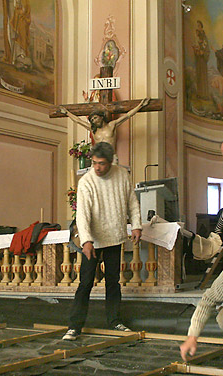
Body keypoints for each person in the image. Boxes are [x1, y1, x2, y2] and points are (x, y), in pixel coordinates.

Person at [62, 142, 142, 341]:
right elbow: (82, 215)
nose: (97, 167)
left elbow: (132, 201)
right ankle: (74, 326)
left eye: (102, 164)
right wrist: (86, 240)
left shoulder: (122, 175)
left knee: (113, 282)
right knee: (86, 283)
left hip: (114, 236)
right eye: (95, 163)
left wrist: (137, 225)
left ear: (111, 162)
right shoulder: (87, 181)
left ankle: (114, 321)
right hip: (93, 241)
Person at [59, 97, 150, 149]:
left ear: (101, 117)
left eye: (95, 118)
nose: (94, 121)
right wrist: (67, 113)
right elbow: (78, 120)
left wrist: (141, 105)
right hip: (99, 159)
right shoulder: (93, 129)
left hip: (111, 158)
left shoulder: (112, 125)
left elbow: (127, 115)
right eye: (92, 120)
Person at [193, 20, 210, 99]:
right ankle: (199, 93)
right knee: (199, 76)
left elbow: (206, 47)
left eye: (199, 26)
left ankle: (204, 94)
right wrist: (196, 50)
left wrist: (203, 52)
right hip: (198, 59)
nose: (198, 28)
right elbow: (196, 45)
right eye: (197, 26)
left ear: (201, 27)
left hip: (202, 60)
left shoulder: (204, 36)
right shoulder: (197, 36)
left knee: (203, 76)